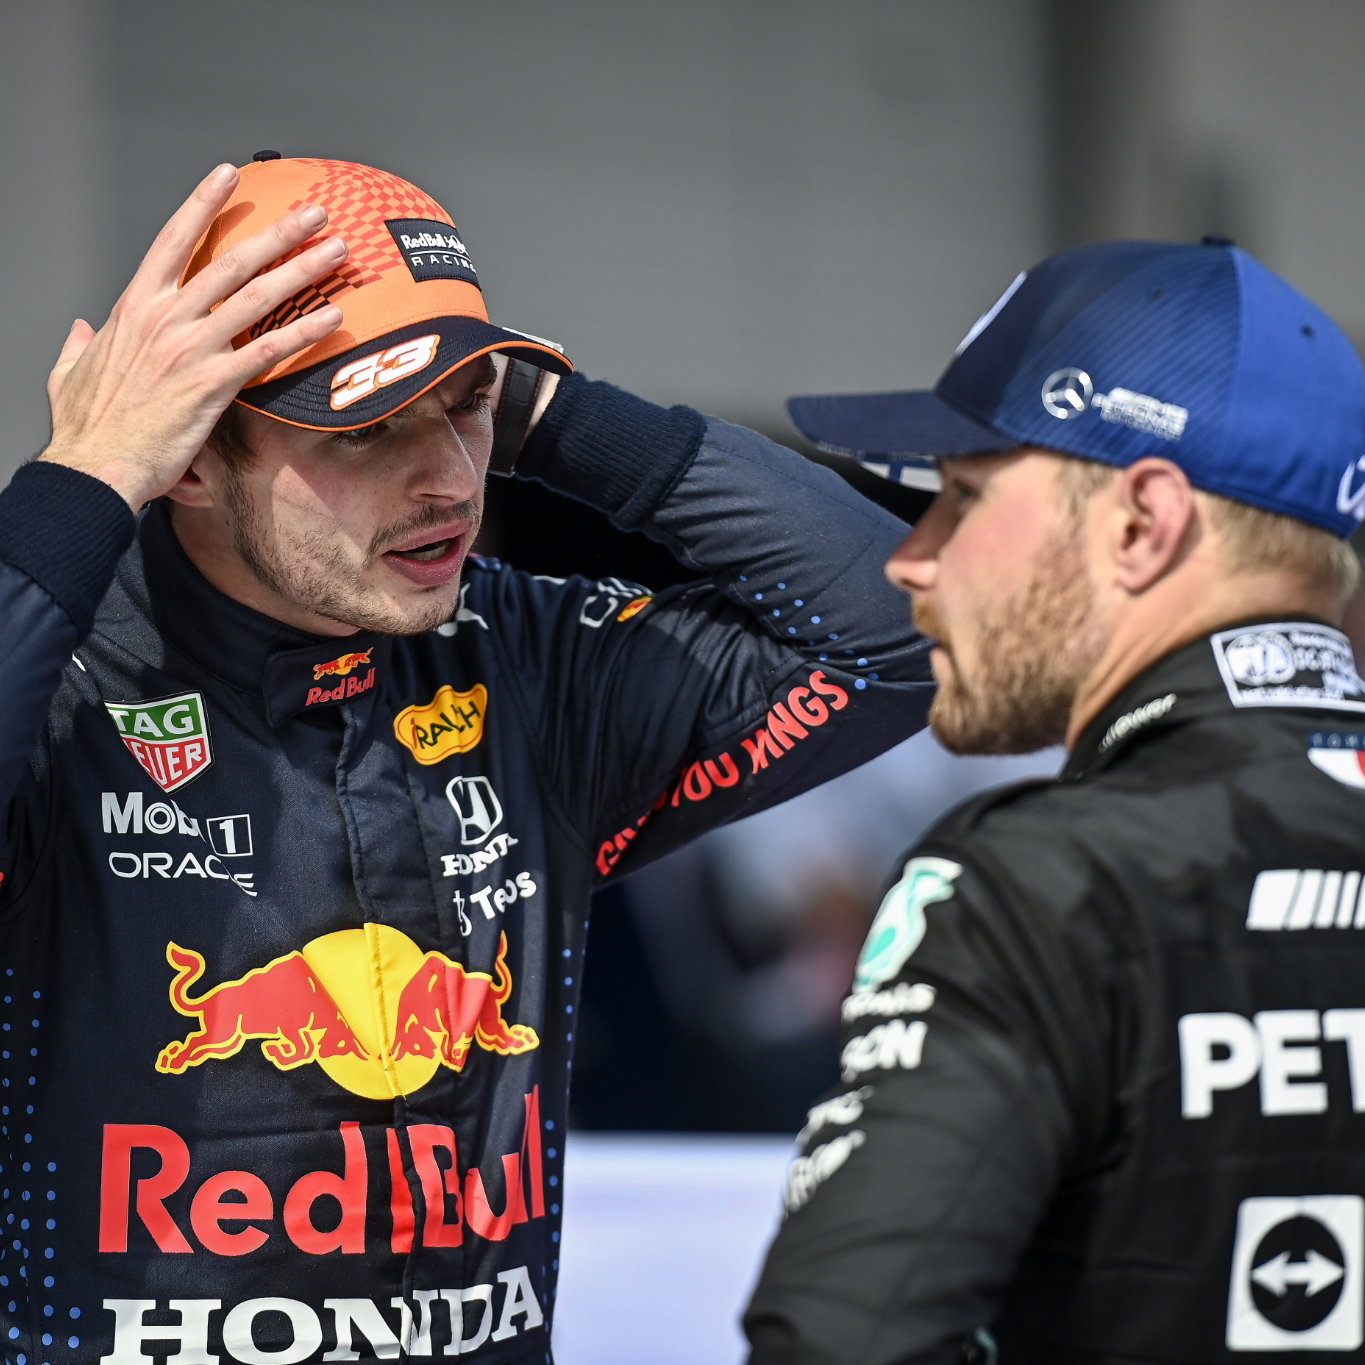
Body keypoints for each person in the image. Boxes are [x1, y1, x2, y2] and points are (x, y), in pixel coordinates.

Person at [0, 154, 934, 1362]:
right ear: (185, 457)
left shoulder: (523, 656)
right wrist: (83, 484)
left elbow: (901, 634)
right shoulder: (67, 677)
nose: (448, 480)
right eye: (366, 430)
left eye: (465, 405)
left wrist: (556, 415)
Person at [743, 238, 1365, 1363]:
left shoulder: (1035, 888)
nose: (910, 558)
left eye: (962, 497)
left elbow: (844, 1346)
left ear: (1140, 524)